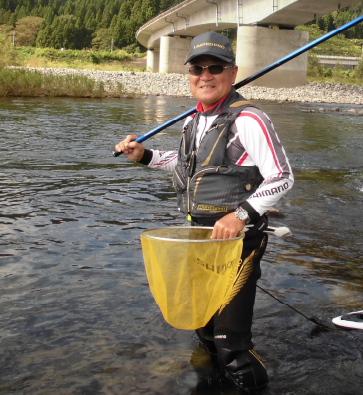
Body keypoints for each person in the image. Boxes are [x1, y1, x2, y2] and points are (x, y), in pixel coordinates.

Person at [115, 31, 294, 392]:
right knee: (205, 327)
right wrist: (145, 156)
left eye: (216, 67)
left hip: (237, 243)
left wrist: (240, 215)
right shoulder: (191, 121)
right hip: (198, 239)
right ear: (190, 75)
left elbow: (282, 177)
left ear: (233, 72)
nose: (205, 75)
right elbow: (186, 165)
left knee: (231, 343)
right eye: (198, 67)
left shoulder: (249, 120)